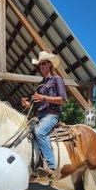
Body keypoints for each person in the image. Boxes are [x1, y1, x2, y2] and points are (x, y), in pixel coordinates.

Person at [21, 51, 68, 179]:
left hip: (52, 115)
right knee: (25, 133)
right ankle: (35, 165)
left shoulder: (57, 79)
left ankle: (51, 166)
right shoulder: (41, 84)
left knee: (40, 132)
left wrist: (44, 98)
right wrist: (27, 105)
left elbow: (63, 100)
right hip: (39, 115)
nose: (40, 66)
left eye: (43, 64)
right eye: (39, 64)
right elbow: (37, 105)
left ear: (50, 65)